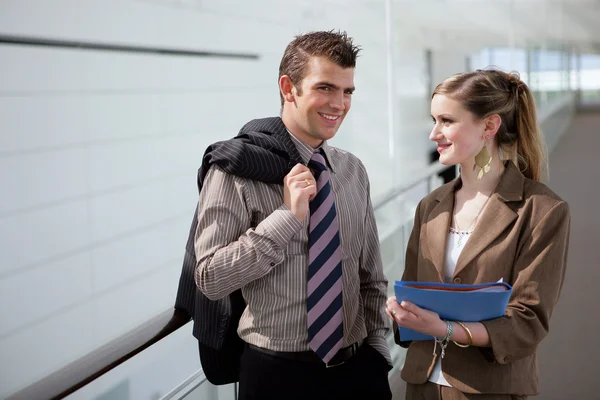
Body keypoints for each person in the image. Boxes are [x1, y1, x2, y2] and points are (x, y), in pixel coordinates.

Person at [192, 30, 392, 400]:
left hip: (358, 370)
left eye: (347, 91)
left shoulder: (351, 171)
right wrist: (286, 217)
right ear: (289, 87)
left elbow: (371, 276)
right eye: (326, 88)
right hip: (276, 376)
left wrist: (378, 351)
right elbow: (209, 278)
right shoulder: (235, 170)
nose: (339, 103)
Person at [386, 69, 571, 400]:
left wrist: (445, 329)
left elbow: (528, 321)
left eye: (446, 121)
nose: (434, 133)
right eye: (434, 120)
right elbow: (413, 286)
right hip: (421, 384)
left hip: (487, 389)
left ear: (489, 126)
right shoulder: (431, 206)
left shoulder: (543, 210)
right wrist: (403, 312)